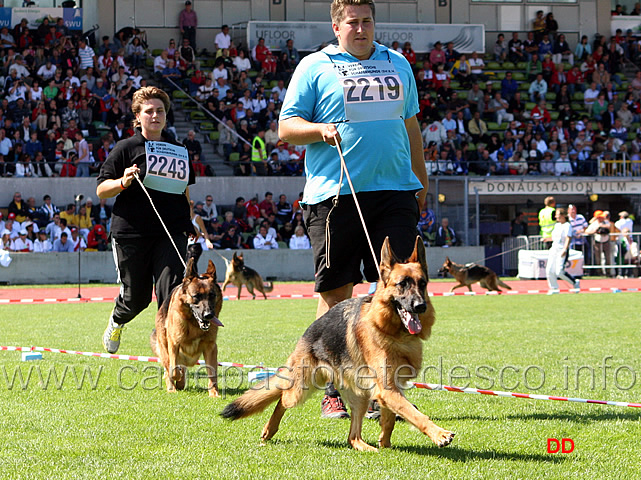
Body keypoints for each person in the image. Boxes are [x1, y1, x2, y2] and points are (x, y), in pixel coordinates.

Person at [279, 0, 427, 419]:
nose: (361, 29)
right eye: (352, 22)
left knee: (400, 291)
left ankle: (389, 394)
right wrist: (319, 129)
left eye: (367, 21)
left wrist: (422, 176)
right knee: (335, 294)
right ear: (336, 25)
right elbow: (286, 127)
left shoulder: (397, 63)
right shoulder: (315, 66)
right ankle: (333, 391)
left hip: (397, 190)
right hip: (335, 196)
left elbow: (410, 124)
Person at [97, 86, 196, 354]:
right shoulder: (125, 148)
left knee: (171, 295)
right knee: (137, 298)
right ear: (138, 117)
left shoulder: (179, 150)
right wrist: (122, 181)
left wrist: (190, 221)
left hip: (170, 232)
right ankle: (117, 320)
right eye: (149, 111)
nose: (155, 115)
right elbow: (101, 189)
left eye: (160, 111)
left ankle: (171, 357)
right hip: (131, 234)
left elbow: (184, 190)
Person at [546, 208, 580, 294]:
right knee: (549, 269)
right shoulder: (557, 225)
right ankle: (554, 288)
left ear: (563, 215)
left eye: (557, 214)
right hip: (554, 249)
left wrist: (565, 249)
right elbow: (555, 238)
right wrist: (547, 239)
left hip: (562, 250)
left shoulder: (567, 225)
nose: (556, 216)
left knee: (559, 272)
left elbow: (568, 237)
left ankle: (574, 282)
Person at [585, 210, 618, 277]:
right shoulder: (594, 224)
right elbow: (587, 232)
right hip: (597, 242)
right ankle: (599, 272)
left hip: (606, 241)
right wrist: (595, 230)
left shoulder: (606, 222)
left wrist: (602, 226)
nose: (602, 218)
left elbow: (609, 226)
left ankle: (608, 272)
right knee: (598, 258)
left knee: (608, 258)